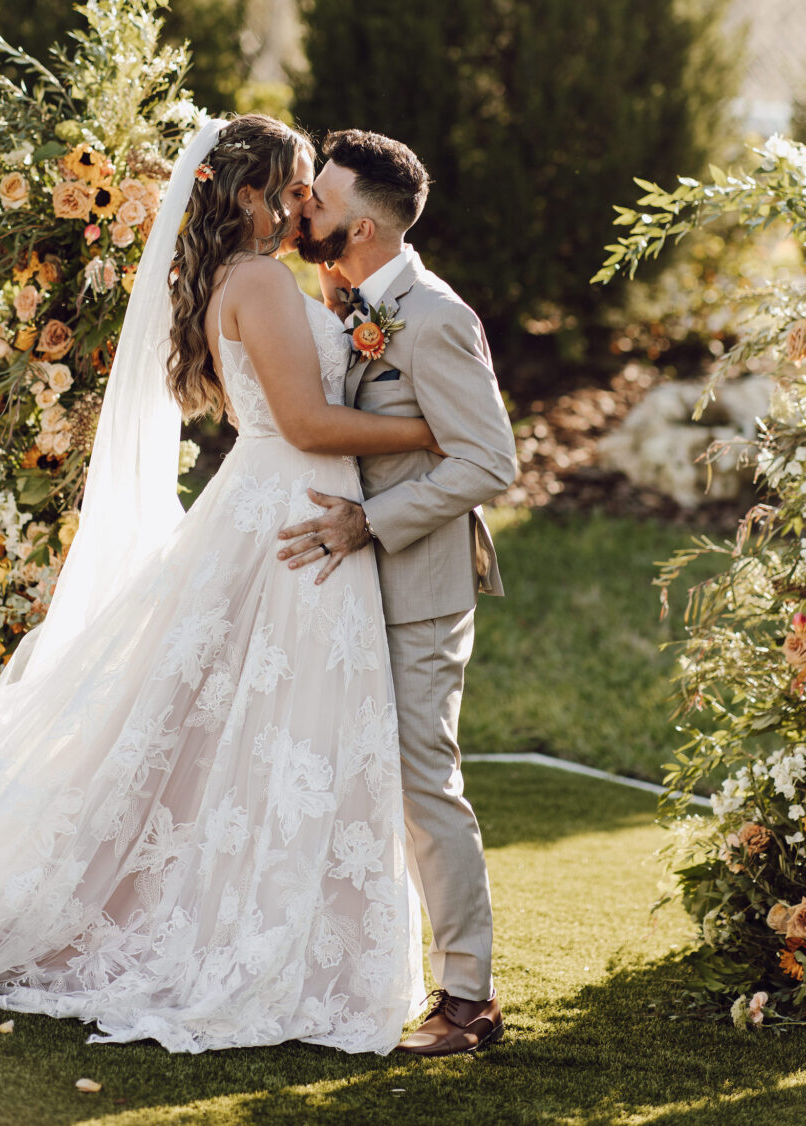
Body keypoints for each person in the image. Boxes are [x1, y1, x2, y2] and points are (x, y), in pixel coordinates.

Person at [0, 114, 441, 1055]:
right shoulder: (256, 280)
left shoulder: (252, 277)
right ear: (250, 199)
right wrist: (430, 432)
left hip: (284, 511)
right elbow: (305, 420)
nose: (305, 207)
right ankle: (260, 940)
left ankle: (279, 927)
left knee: (262, 729)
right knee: (288, 724)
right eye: (294, 189)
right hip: (294, 512)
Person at [280, 128, 517, 1057]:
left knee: (425, 786)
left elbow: (488, 461)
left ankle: (470, 1002)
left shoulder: (437, 317)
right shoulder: (351, 297)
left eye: (324, 206)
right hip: (350, 583)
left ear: (366, 229)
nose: (309, 214)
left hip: (416, 584)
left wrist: (370, 524)